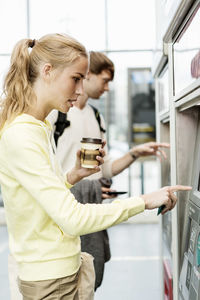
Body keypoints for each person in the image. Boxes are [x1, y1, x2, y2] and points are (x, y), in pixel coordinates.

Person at [0, 33, 191, 300]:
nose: (79, 90)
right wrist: (143, 201)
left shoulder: (39, 127)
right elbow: (71, 218)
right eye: (75, 78)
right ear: (47, 71)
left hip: (61, 271)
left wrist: (72, 176)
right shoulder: (23, 134)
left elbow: (36, 194)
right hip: (49, 279)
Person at [47, 51, 172, 290]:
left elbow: (104, 169)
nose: (106, 88)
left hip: (92, 209)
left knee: (88, 281)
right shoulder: (56, 115)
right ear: (87, 76)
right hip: (63, 216)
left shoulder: (96, 116)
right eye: (104, 81)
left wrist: (135, 153)